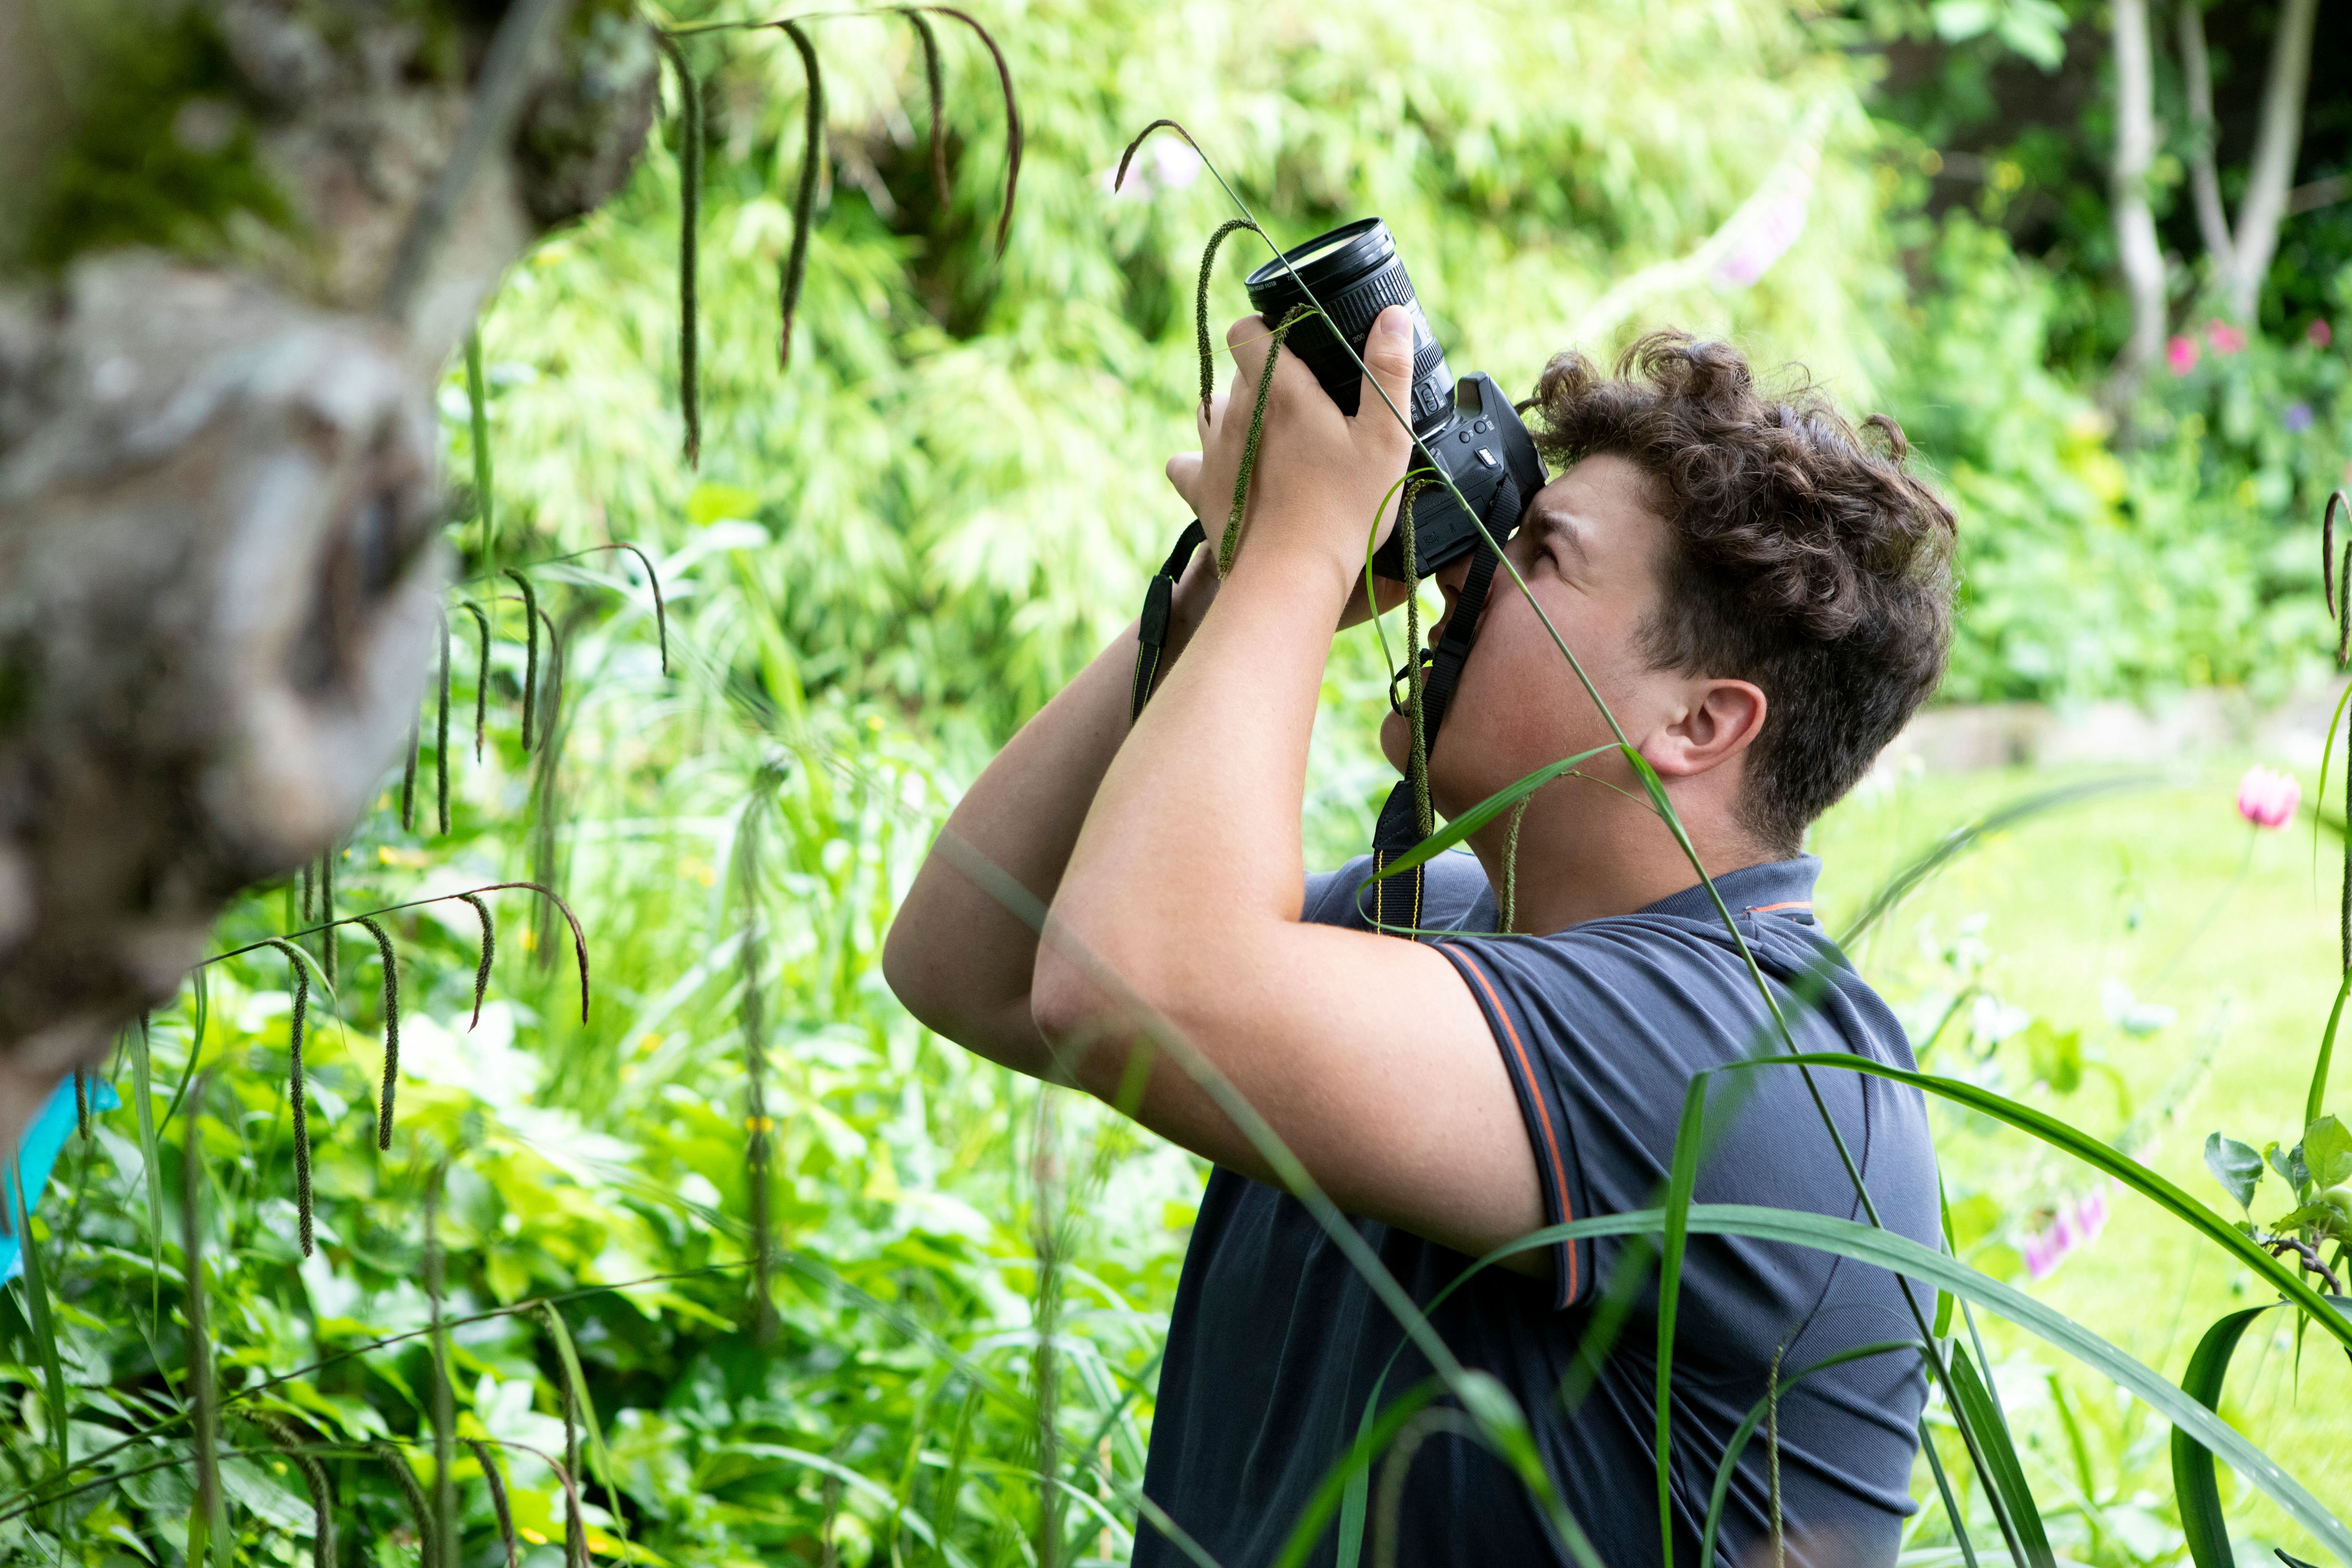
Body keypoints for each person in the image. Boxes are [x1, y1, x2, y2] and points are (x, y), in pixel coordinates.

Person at [883, 306, 1957, 1567]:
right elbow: (973, 958)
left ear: (1699, 723)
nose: (1467, 575)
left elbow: (1127, 991)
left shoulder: (1748, 1066)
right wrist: (1231, 578)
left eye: (1542, 557)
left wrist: (1302, 538)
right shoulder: (1447, 928)